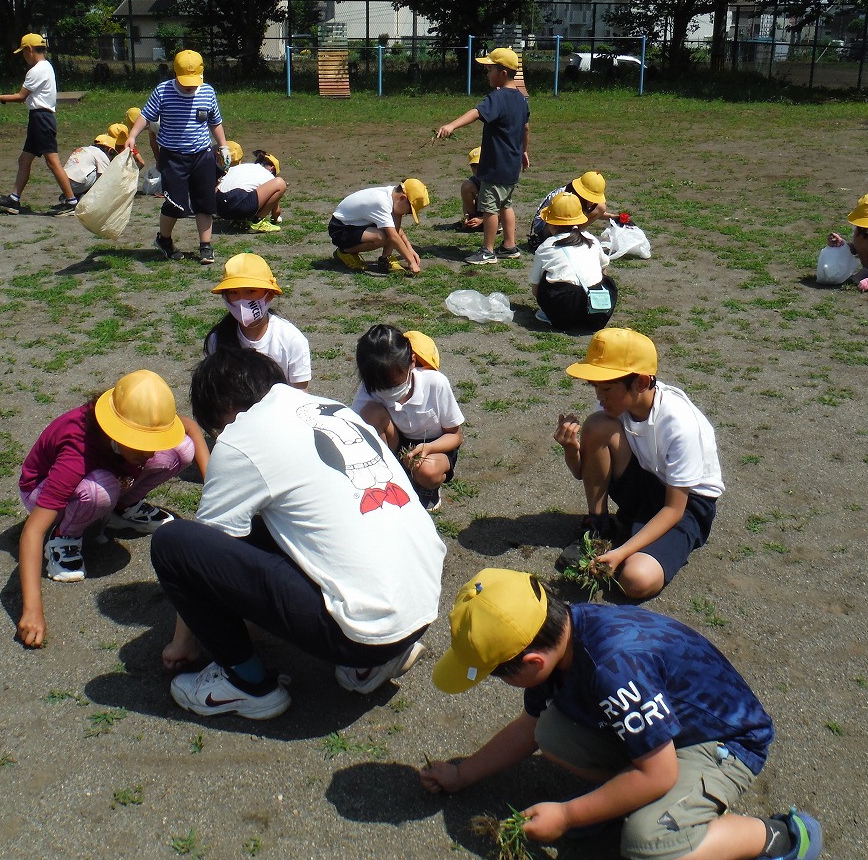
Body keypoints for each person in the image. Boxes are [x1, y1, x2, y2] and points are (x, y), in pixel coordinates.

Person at [420, 568, 823, 860]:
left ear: (532, 662)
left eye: (497, 674)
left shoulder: (613, 668)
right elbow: (530, 729)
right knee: (551, 732)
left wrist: (568, 815)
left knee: (647, 844)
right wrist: (462, 774)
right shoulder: (555, 632)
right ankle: (628, 800)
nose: (498, 681)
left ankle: (779, 836)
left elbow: (659, 773)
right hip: (664, 737)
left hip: (723, 742)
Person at [151, 347, 446, 720]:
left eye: (217, 428)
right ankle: (373, 662)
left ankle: (247, 684)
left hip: (365, 633)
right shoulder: (330, 408)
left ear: (225, 408)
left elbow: (201, 552)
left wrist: (184, 641)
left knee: (172, 543)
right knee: (291, 515)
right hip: (421, 608)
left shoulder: (242, 436)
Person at [15, 370, 207, 646]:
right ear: (117, 433)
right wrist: (32, 610)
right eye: (142, 445)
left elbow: (189, 427)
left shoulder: (132, 420)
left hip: (103, 472)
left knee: (181, 449)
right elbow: (33, 530)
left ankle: (123, 509)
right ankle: (64, 536)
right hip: (42, 491)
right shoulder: (77, 451)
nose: (150, 452)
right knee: (100, 489)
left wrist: (212, 482)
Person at [553, 329, 722, 600]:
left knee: (636, 580)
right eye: (595, 387)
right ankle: (599, 526)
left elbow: (673, 510)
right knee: (596, 426)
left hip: (687, 504)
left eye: (606, 388)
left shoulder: (679, 425)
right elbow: (582, 473)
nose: (599, 397)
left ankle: (630, 545)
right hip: (649, 480)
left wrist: (621, 553)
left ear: (641, 382)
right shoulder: (618, 406)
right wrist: (571, 449)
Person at [124, 49, 231, 265]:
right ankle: (164, 240)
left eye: (193, 81)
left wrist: (223, 146)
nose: (189, 86)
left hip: (202, 155)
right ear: (175, 74)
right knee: (175, 204)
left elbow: (215, 122)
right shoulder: (163, 91)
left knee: (205, 202)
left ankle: (206, 246)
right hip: (173, 157)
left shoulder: (207, 92)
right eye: (184, 81)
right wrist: (132, 135)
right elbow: (146, 116)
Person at [352, 325, 465, 512]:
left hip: (435, 446)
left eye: (395, 384)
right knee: (369, 413)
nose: (388, 392)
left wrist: (428, 448)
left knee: (427, 471)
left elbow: (455, 435)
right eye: (380, 388)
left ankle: (426, 487)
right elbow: (352, 425)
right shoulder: (371, 386)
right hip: (398, 441)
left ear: (412, 362)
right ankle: (390, 474)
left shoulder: (435, 383)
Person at [435, 47, 530, 265]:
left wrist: (452, 125)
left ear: (503, 73)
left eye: (490, 70)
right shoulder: (521, 99)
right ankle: (509, 245)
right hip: (511, 164)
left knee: (490, 208)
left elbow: (477, 113)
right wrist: (524, 151)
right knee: (506, 204)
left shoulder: (498, 97)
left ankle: (487, 251)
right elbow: (525, 128)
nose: (487, 74)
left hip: (495, 164)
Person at [0, 33, 79, 216]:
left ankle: (71, 202)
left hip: (41, 119)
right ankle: (14, 200)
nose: (23, 57)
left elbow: (21, 97)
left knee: (52, 162)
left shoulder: (37, 70)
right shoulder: (47, 67)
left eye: (23, 52)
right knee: (24, 160)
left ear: (29, 49)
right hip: (39, 118)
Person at [203, 253, 311, 389]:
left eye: (250, 291)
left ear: (269, 295)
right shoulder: (217, 339)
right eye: (233, 292)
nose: (241, 300)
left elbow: (300, 395)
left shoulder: (292, 341)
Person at [528, 192, 618, 329]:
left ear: (552, 225)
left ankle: (552, 316)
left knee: (546, 276)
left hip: (563, 311)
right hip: (596, 314)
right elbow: (604, 268)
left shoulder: (545, 247)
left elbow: (536, 290)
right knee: (603, 275)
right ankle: (593, 310)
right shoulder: (591, 239)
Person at [329, 180, 429, 275]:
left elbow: (397, 230)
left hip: (358, 224)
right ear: (402, 198)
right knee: (382, 237)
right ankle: (344, 252)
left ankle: (385, 259)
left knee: (393, 222)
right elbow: (393, 236)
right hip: (340, 229)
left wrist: (410, 249)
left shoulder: (393, 195)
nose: (407, 214)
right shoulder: (381, 202)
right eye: (410, 211)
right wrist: (411, 262)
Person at [527, 170, 622, 251]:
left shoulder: (582, 198)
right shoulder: (565, 196)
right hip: (545, 224)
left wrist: (611, 217)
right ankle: (563, 240)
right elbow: (557, 217)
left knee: (601, 207)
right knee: (568, 215)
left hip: (566, 221)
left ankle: (572, 236)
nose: (591, 201)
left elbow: (595, 212)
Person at [215, 150, 287, 234]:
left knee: (245, 191)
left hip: (219, 207)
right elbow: (276, 211)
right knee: (280, 183)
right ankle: (258, 222)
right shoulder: (267, 175)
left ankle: (238, 220)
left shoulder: (240, 167)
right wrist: (275, 218)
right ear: (272, 168)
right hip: (237, 205)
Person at [62, 134, 117, 199]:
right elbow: (104, 178)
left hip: (63, 182)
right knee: (100, 174)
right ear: (110, 150)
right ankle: (85, 196)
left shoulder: (85, 148)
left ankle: (70, 194)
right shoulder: (101, 155)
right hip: (77, 185)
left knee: (87, 168)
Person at [460, 146, 483, 230]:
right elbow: (465, 202)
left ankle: (491, 223)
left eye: (479, 165)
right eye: (473, 166)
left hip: (494, 214)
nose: (476, 169)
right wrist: (466, 215)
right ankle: (472, 220)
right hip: (480, 212)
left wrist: (482, 219)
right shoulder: (474, 180)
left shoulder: (495, 181)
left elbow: (502, 208)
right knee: (466, 185)